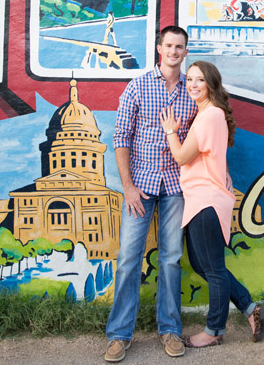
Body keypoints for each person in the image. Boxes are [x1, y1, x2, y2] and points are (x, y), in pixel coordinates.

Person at [104, 26, 198, 362]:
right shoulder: (138, 87)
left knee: (171, 260)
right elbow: (121, 138)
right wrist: (128, 187)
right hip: (140, 187)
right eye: (169, 45)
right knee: (129, 259)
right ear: (159, 49)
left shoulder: (193, 90)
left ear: (186, 52)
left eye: (180, 47)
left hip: (176, 186)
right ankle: (118, 335)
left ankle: (170, 329)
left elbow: (202, 138)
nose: (174, 51)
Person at [159, 60, 264, 348]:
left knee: (214, 269)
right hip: (202, 198)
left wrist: (170, 130)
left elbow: (181, 156)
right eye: (190, 79)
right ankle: (249, 308)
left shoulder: (209, 117)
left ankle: (214, 330)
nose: (193, 84)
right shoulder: (209, 115)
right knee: (199, 262)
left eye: (200, 80)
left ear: (211, 84)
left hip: (205, 200)